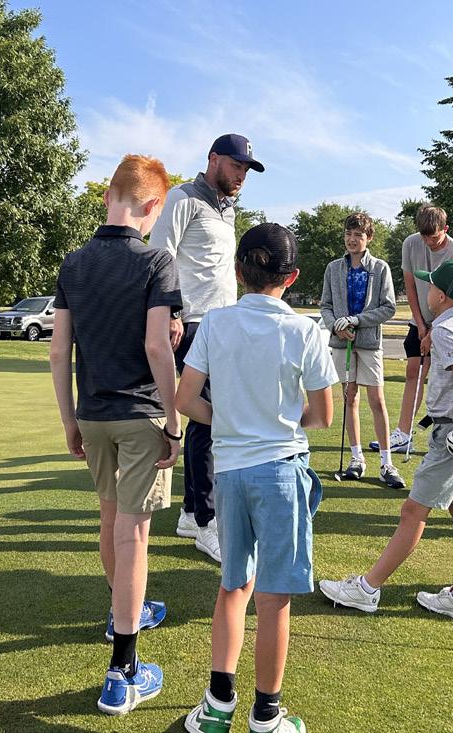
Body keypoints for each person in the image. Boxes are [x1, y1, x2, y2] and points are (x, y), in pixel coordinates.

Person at [178, 223, 335, 733]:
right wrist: (279, 421)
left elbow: (185, 400)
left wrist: (227, 421)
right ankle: (266, 713)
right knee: (273, 598)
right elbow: (322, 415)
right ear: (292, 276)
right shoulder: (305, 330)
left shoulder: (216, 323)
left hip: (229, 472)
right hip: (281, 471)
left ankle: (218, 704)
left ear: (238, 270)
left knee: (233, 587)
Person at [49, 155, 183, 715]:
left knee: (111, 520)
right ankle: (123, 668)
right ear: (152, 205)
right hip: (140, 413)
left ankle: (122, 611)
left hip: (93, 414)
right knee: (134, 534)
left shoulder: (74, 262)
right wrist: (174, 420)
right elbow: (156, 346)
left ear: (108, 196)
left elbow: (59, 351)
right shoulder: (156, 260)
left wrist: (69, 420)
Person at [319, 259, 453, 622]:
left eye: (432, 286)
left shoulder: (447, 329)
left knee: (414, 511)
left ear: (442, 295)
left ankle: (367, 589)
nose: (427, 291)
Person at [151, 133, 265, 563]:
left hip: (219, 324)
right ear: (213, 159)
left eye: (246, 169)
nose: (241, 175)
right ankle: (207, 521)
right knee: (207, 418)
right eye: (236, 166)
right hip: (191, 323)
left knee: (211, 418)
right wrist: (171, 312)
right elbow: (160, 257)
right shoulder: (182, 198)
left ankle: (189, 513)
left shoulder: (227, 209)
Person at [319, 211, 402, 489]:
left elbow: (388, 307)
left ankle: (386, 463)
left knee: (377, 400)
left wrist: (355, 320)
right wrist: (336, 326)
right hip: (341, 342)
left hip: (368, 343)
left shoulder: (380, 268)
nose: (352, 239)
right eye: (348, 234)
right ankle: (356, 459)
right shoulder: (333, 268)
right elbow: (325, 306)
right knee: (350, 398)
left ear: (369, 238)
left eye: (358, 235)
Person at [371, 204, 453, 455]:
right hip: (419, 320)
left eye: (434, 237)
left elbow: (451, 296)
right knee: (414, 372)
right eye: (424, 236)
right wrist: (420, 324)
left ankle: (450, 435)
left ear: (445, 229)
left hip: (447, 321)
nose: (428, 242)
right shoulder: (410, 243)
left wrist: (433, 331)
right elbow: (410, 286)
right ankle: (403, 434)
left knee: (447, 379)